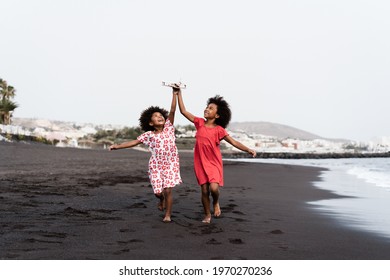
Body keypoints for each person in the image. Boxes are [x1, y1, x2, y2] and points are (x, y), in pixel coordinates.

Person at [177, 89, 256, 223]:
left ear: (217, 115)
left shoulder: (219, 130)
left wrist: (248, 149)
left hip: (213, 163)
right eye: (207, 107)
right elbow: (183, 111)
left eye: (211, 108)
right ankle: (207, 215)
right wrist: (178, 93)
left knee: (214, 188)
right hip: (200, 162)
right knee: (204, 190)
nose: (207, 109)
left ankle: (216, 201)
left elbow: (234, 142)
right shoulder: (199, 123)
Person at [109, 89, 182, 222]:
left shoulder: (169, 128)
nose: (159, 117)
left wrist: (174, 94)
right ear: (150, 123)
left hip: (171, 164)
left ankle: (168, 215)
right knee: (158, 193)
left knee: (168, 191)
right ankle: (161, 200)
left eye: (161, 115)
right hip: (155, 165)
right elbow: (134, 142)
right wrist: (117, 146)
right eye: (155, 116)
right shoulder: (148, 135)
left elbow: (172, 110)